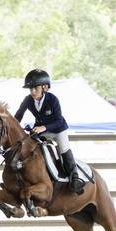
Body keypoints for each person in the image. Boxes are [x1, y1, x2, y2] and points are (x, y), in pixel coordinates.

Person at [14, 68, 84, 196]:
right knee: (29, 146)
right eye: (30, 89)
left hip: (58, 130)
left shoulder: (53, 100)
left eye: (35, 88)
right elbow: (18, 115)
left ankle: (75, 178)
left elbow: (58, 120)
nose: (32, 91)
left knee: (64, 149)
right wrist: (11, 125)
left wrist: (42, 128)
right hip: (41, 130)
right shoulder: (28, 100)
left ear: (45, 87)